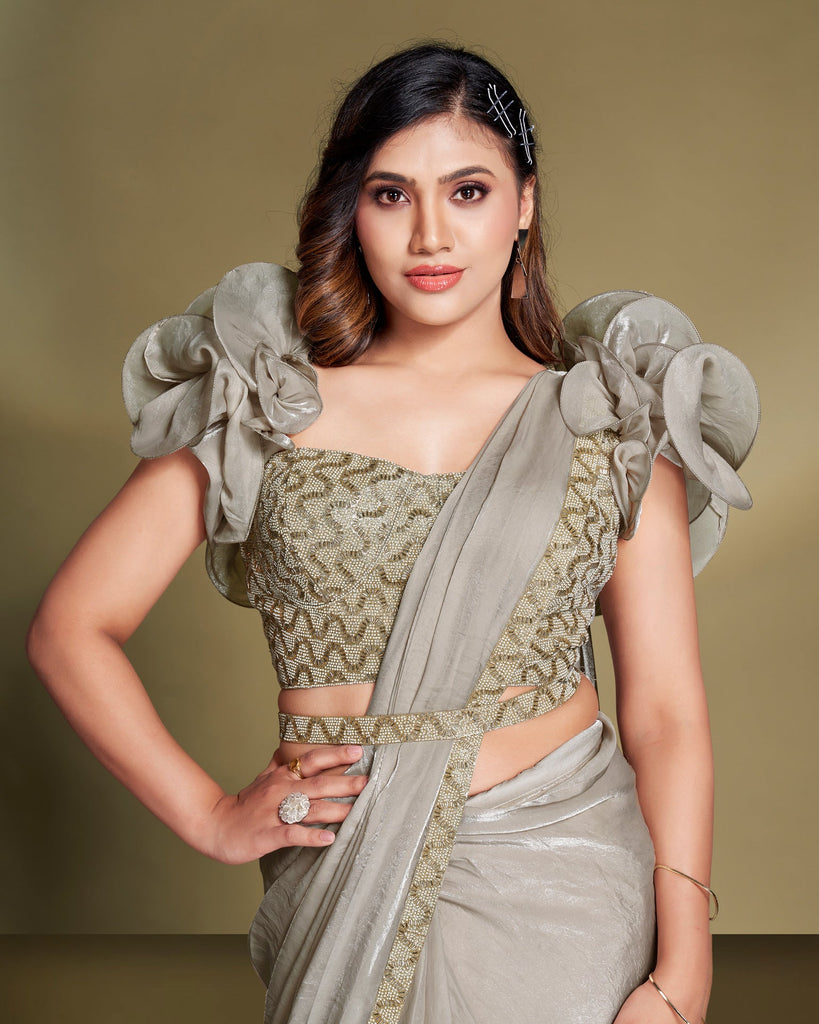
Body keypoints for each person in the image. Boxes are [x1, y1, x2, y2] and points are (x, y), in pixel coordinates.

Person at [26, 42, 759, 1024]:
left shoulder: (611, 416)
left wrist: (685, 966)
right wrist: (209, 816)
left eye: (467, 191)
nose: (429, 234)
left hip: (562, 882)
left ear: (523, 203)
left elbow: (665, 713)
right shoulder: (263, 401)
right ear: (350, 209)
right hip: (338, 876)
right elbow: (71, 628)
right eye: (390, 194)